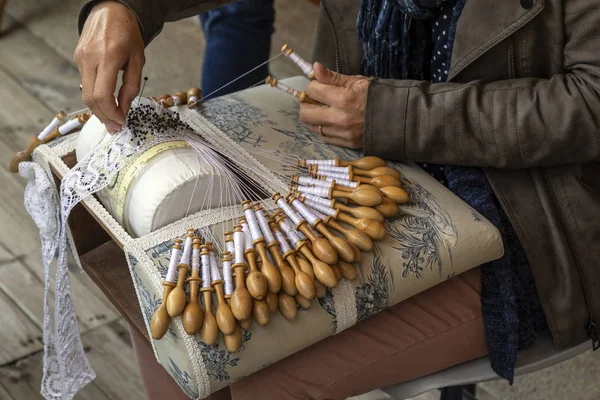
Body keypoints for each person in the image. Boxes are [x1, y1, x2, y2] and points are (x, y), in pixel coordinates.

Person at [74, 1, 600, 399]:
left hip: (524, 203)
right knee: (153, 296)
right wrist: (126, 7)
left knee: (240, 374)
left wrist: (393, 115)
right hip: (347, 142)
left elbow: (591, 100)